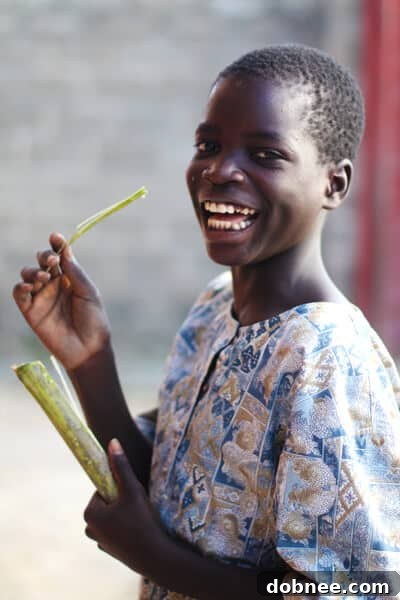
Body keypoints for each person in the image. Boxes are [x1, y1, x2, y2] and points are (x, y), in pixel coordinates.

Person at [12, 44, 400, 599]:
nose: (219, 170)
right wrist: (89, 361)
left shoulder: (327, 359)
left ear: (333, 185)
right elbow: (173, 488)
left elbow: (360, 593)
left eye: (265, 155)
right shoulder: (215, 308)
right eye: (209, 146)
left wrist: (155, 559)